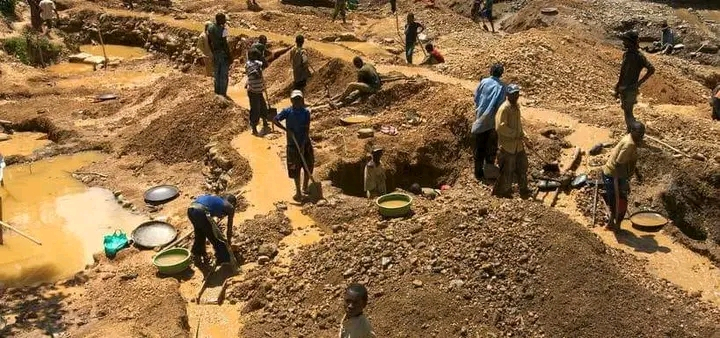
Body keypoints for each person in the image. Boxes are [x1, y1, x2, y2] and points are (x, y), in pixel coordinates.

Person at [602, 121, 645, 232]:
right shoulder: (629, 144)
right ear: (632, 131)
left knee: (616, 201)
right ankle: (617, 227)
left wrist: (636, 171)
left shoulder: (630, 139)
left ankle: (612, 224)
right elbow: (619, 163)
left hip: (613, 174)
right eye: (639, 132)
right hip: (614, 176)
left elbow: (628, 159)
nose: (642, 135)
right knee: (620, 202)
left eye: (643, 132)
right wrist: (624, 181)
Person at [273, 90, 314, 202]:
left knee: (308, 165)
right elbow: (275, 119)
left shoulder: (306, 112)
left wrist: (303, 145)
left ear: (302, 100)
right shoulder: (287, 111)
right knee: (295, 169)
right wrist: (286, 130)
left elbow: (307, 129)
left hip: (305, 142)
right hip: (292, 144)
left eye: (299, 99)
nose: (297, 101)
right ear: (291, 101)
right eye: (295, 99)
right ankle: (298, 192)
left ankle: (305, 186)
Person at [493, 84, 530, 198]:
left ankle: (524, 190)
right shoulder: (504, 108)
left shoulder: (516, 107)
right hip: (507, 146)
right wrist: (515, 135)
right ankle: (505, 192)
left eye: (517, 94)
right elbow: (500, 127)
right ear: (508, 95)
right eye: (513, 94)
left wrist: (525, 137)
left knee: (523, 167)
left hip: (518, 146)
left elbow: (518, 125)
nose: (516, 96)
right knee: (508, 170)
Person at [615, 30, 655, 132]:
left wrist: (639, 83)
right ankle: (631, 132)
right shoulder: (626, 55)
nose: (623, 43)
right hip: (624, 88)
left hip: (631, 89)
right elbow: (623, 72)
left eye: (625, 41)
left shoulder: (639, 56)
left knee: (628, 112)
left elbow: (651, 69)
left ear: (631, 42)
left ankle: (635, 133)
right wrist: (618, 85)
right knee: (626, 110)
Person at [471, 63, 506, 180]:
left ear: (490, 71)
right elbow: (501, 105)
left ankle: (478, 172)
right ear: (501, 74)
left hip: (481, 118)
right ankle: (489, 169)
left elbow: (476, 98)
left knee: (479, 146)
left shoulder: (484, 82)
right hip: (493, 122)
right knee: (491, 147)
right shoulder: (502, 86)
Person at [187, 194, 236, 266]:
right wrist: (228, 241)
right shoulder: (230, 207)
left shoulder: (217, 200)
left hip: (191, 210)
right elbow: (229, 227)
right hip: (201, 212)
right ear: (233, 203)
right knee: (216, 238)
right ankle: (225, 260)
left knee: (200, 234)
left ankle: (197, 255)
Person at [207, 13, 232, 97]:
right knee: (223, 75)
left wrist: (212, 51)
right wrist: (229, 56)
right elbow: (225, 44)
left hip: (215, 53)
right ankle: (222, 94)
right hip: (223, 54)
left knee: (216, 74)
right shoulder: (224, 30)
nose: (225, 21)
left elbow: (209, 41)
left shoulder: (210, 28)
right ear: (220, 19)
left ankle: (217, 92)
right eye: (224, 19)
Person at [246, 49, 269, 135]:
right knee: (255, 109)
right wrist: (259, 70)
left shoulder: (257, 62)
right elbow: (255, 74)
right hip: (253, 91)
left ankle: (264, 120)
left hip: (259, 91)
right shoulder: (248, 64)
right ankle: (254, 126)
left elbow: (266, 64)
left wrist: (262, 58)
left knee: (263, 106)